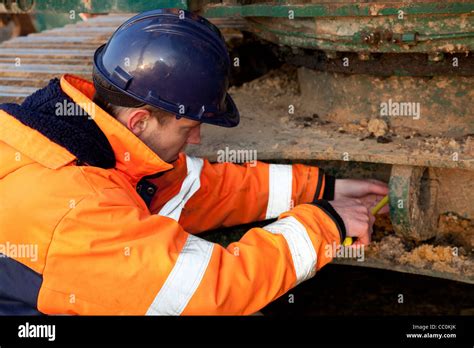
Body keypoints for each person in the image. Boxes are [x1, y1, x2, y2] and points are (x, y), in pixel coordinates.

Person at [0, 8, 388, 315]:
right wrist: (326, 223)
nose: (198, 139)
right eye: (188, 128)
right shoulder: (83, 212)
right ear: (140, 120)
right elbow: (212, 289)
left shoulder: (72, 136)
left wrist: (322, 187)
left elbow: (193, 190)